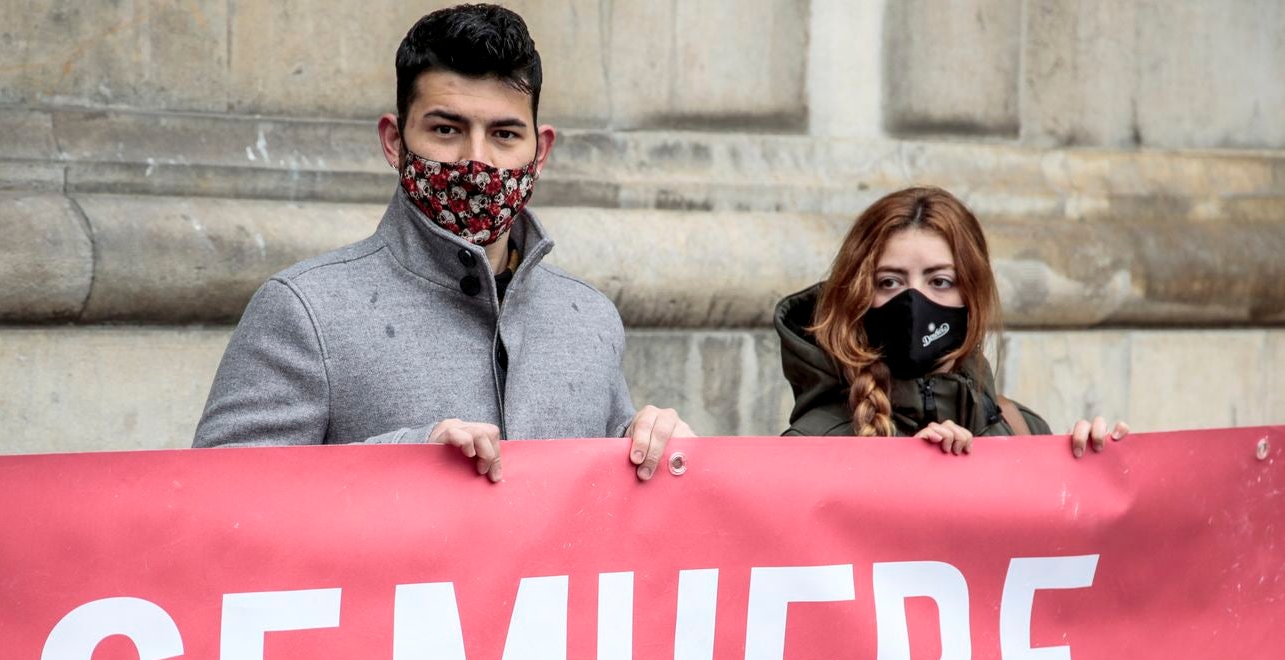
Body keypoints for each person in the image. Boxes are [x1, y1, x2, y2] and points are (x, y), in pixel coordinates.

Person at [193, 4, 690, 481]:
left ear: (540, 152)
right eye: (446, 129)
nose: (476, 161)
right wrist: (403, 461)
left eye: (505, 134)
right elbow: (222, 499)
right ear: (394, 140)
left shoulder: (590, 317)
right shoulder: (304, 310)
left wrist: (656, 448)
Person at [774, 186, 1127, 454]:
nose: (914, 302)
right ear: (858, 294)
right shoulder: (813, 443)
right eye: (889, 282)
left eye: (940, 281)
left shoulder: (1021, 428)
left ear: (972, 294)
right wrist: (917, 479)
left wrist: (1098, 474)